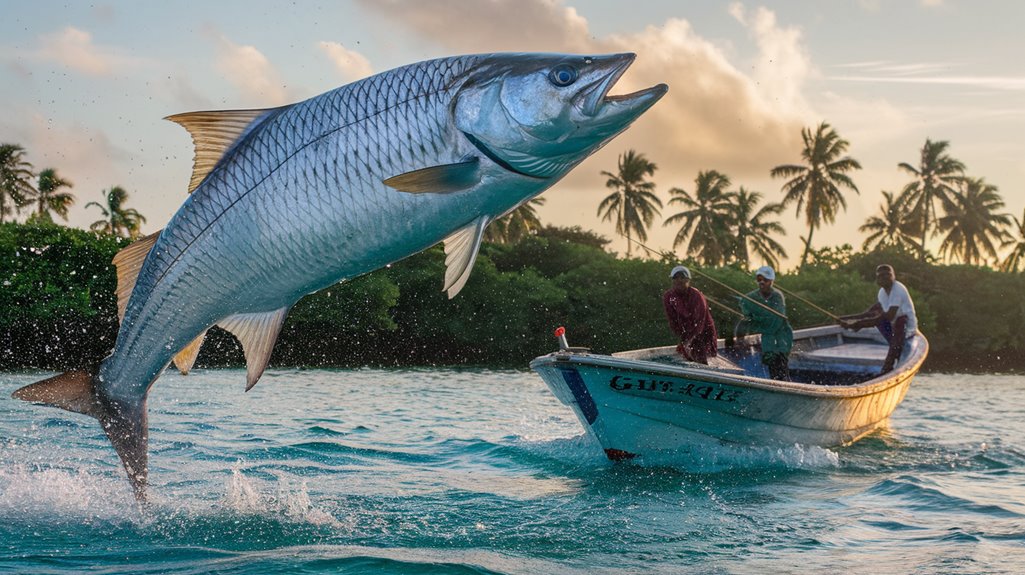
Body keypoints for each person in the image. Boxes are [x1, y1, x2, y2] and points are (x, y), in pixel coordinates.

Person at [838, 264, 918, 374]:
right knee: (876, 316)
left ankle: (888, 367)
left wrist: (858, 324)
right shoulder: (882, 293)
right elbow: (870, 313)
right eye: (881, 276)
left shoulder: (898, 289)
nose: (885, 277)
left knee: (898, 321)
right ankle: (895, 346)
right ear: (877, 279)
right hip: (894, 328)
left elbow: (888, 316)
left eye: (888, 275)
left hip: (906, 328)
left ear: (893, 276)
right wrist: (846, 319)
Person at [737, 265, 793, 381]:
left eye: (765, 280)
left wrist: (757, 319)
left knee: (779, 362)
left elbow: (775, 321)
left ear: (771, 281)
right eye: (759, 279)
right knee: (770, 362)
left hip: (780, 337)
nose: (762, 282)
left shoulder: (777, 296)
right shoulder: (752, 297)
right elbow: (745, 304)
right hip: (766, 337)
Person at [663, 265, 718, 364]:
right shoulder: (668, 297)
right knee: (687, 355)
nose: (679, 281)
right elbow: (672, 320)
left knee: (703, 357)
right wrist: (683, 339)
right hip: (687, 333)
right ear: (672, 280)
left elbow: (699, 323)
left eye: (682, 277)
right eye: (676, 278)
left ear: (688, 280)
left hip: (704, 333)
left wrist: (689, 341)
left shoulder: (697, 296)